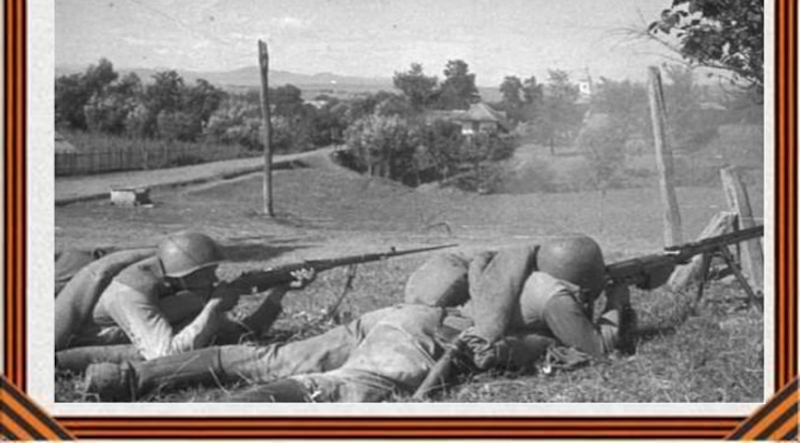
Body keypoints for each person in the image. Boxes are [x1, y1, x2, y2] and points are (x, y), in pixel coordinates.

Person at [83, 234, 644, 402]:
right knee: (333, 387)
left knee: (266, 358)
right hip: (423, 337)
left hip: (399, 316)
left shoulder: (523, 272)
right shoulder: (554, 293)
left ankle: (127, 378)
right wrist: (619, 301)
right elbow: (598, 350)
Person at [55, 231, 315, 366]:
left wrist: (280, 291)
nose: (215, 278)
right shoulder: (131, 291)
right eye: (207, 273)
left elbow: (243, 333)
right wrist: (213, 307)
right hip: (89, 341)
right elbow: (165, 357)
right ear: (183, 274)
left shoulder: (180, 288)